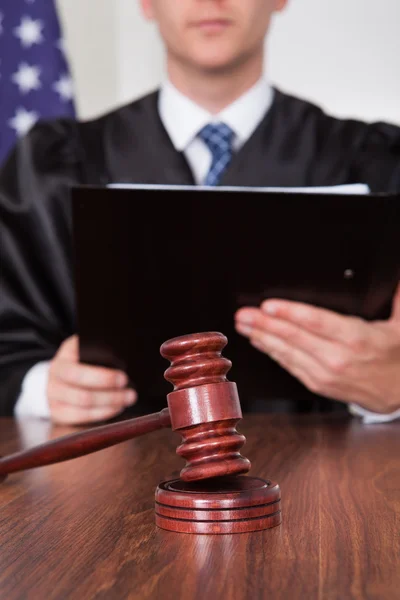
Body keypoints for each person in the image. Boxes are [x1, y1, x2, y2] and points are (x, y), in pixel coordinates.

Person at [1, 0, 399, 425]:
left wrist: (392, 386)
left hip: (329, 480)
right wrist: (44, 388)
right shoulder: (55, 164)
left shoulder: (376, 164)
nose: (210, 0)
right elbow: (9, 345)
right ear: (146, 3)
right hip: (104, 479)